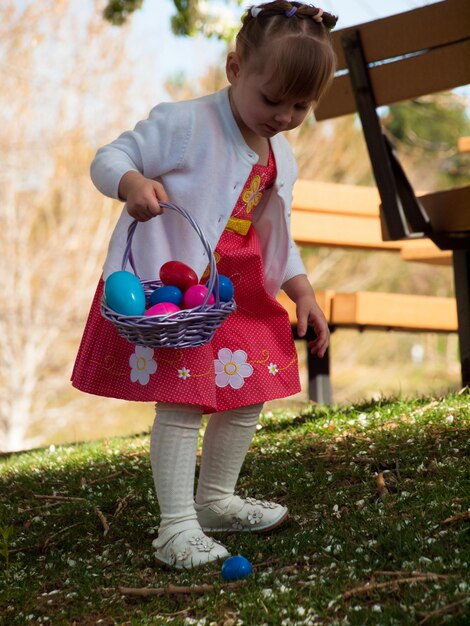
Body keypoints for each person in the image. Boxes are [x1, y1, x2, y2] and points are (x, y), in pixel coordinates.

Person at [72, 0, 338, 569]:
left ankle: (215, 500)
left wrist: (303, 290)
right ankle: (175, 529)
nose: (285, 117)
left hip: (237, 290)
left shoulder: (280, 155)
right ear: (235, 68)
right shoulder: (186, 124)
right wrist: (131, 181)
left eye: (301, 106)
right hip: (177, 289)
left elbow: (276, 235)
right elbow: (109, 155)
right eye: (273, 100)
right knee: (184, 402)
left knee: (248, 396)